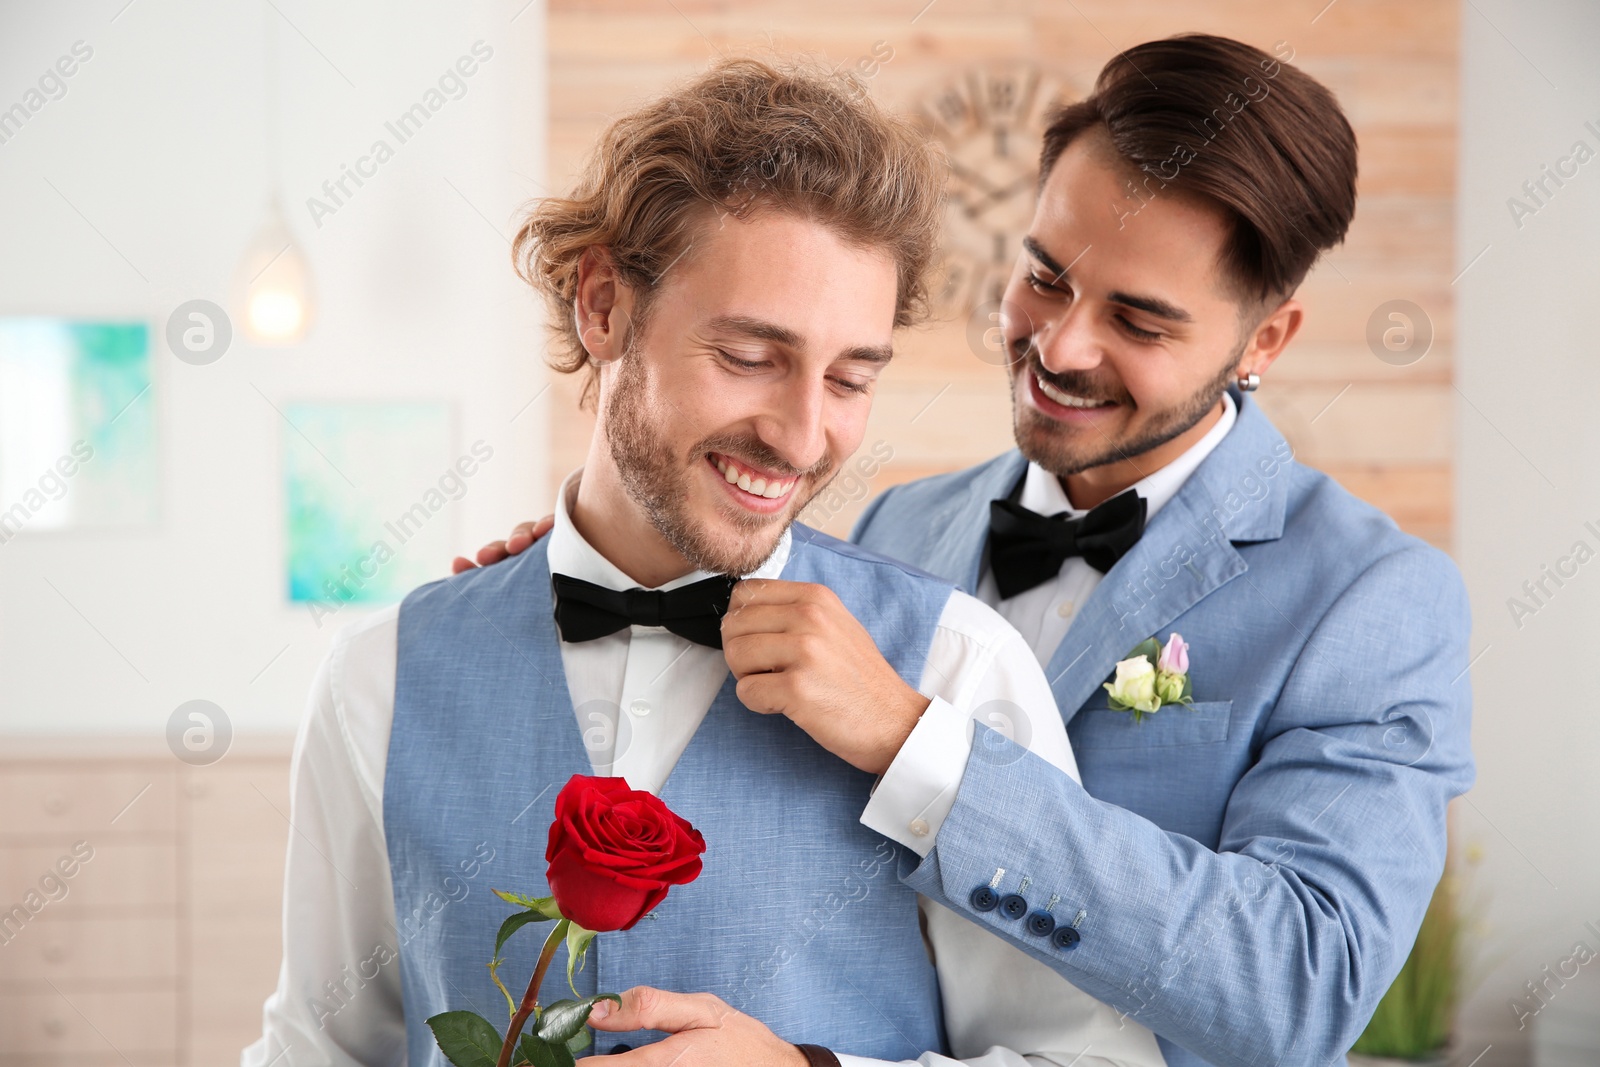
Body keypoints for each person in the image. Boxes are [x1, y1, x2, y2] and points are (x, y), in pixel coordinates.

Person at [463, 35, 1477, 1067]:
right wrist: (606, 554)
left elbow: (1301, 987)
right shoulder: (902, 527)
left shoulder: (1375, 598)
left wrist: (917, 739)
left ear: (1263, 342)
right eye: (1045, 276)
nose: (1061, 345)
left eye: (1138, 320)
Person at [245, 57, 1164, 1067]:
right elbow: (320, 1046)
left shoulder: (955, 669)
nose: (802, 435)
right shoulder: (378, 675)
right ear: (602, 305)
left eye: (850, 378)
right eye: (749, 356)